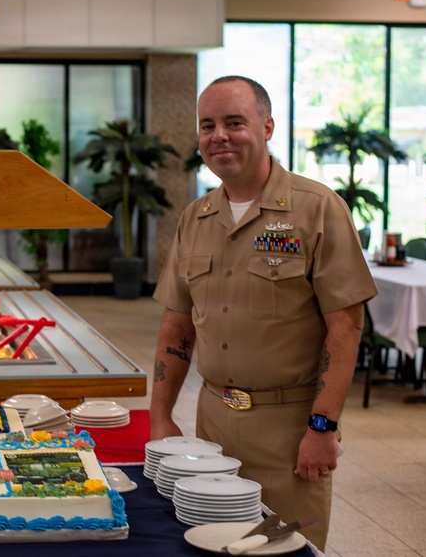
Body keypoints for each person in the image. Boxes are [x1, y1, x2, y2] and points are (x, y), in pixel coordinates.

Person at [149, 75, 377, 550]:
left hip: (288, 431)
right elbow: (177, 324)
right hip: (210, 428)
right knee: (211, 545)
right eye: (207, 125)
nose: (219, 136)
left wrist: (322, 428)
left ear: (268, 126)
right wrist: (160, 415)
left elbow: (346, 326)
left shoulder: (317, 210)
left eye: (235, 122)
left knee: (282, 546)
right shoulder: (195, 218)